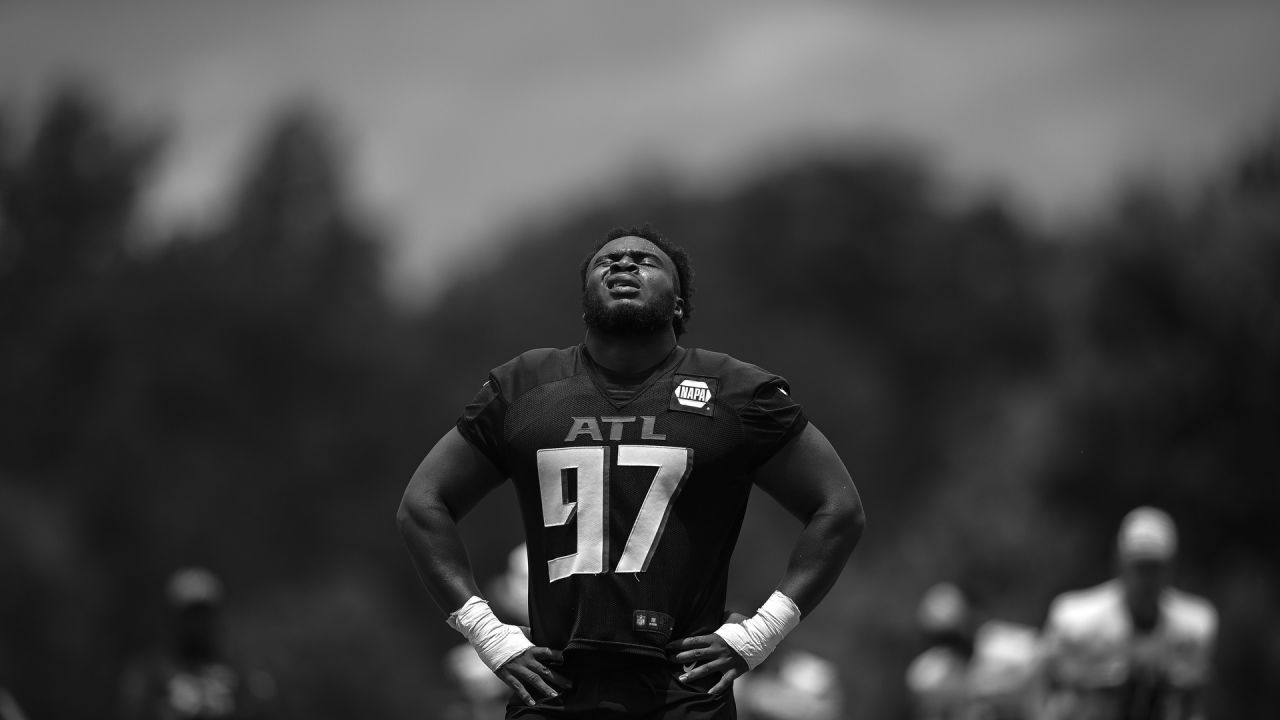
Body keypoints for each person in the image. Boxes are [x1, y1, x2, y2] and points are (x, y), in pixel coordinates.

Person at [398, 226, 865, 719]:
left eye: (645, 261)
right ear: (584, 303)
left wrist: (760, 634)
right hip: (555, 685)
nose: (624, 264)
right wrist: (488, 635)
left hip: (682, 688)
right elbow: (422, 505)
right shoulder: (525, 386)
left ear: (680, 304)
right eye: (608, 260)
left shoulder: (733, 391)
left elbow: (838, 507)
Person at [1035, 507, 1217, 720]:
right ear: (1120, 562)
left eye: (1154, 567)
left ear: (1171, 567)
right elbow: (1043, 691)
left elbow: (1193, 702)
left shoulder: (1194, 627)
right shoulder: (1076, 620)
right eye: (1139, 566)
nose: (1147, 579)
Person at [118, 567, 275, 720]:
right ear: (173, 619)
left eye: (204, 615)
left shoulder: (241, 675)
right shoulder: (151, 674)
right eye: (190, 615)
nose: (198, 624)